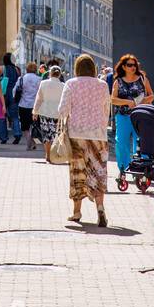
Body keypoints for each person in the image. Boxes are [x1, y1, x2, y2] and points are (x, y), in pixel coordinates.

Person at [57, 54, 110, 227]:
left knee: (78, 171)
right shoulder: (102, 85)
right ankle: (100, 208)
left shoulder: (71, 84)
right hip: (98, 134)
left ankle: (77, 212)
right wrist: (102, 124)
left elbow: (62, 109)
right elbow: (106, 109)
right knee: (98, 170)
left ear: (77, 68)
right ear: (94, 68)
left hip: (76, 133)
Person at [111, 53, 153, 181]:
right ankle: (123, 168)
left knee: (140, 142)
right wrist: (127, 102)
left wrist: (142, 101)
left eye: (134, 65)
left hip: (140, 116)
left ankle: (140, 169)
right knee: (121, 143)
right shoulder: (118, 81)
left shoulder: (142, 79)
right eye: (129, 65)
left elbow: (151, 96)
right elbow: (113, 99)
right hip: (123, 116)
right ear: (123, 67)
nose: (133, 67)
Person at [32, 65, 64, 161]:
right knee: (56, 136)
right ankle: (54, 155)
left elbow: (39, 99)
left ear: (50, 73)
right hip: (57, 114)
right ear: (59, 75)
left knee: (46, 135)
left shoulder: (43, 83)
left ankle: (48, 155)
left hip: (45, 112)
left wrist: (35, 111)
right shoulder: (63, 85)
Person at [14, 60, 42, 150]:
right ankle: (35, 143)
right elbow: (41, 93)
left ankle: (29, 143)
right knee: (35, 126)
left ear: (27, 69)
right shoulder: (39, 79)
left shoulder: (21, 79)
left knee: (25, 127)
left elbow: (14, 91)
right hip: (35, 106)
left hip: (23, 105)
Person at [0, 52, 21, 145]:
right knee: (15, 116)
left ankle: (3, 137)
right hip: (13, 94)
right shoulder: (17, 69)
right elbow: (19, 80)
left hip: (3, 94)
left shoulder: (1, 68)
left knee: (2, 116)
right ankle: (17, 134)